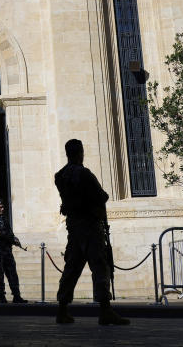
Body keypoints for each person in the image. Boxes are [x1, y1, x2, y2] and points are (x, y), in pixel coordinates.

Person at [53, 139, 128, 325]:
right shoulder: (84, 174)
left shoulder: (60, 175)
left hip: (74, 228)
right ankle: (105, 310)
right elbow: (101, 196)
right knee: (100, 266)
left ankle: (62, 309)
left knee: (71, 269)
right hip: (89, 227)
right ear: (80, 153)